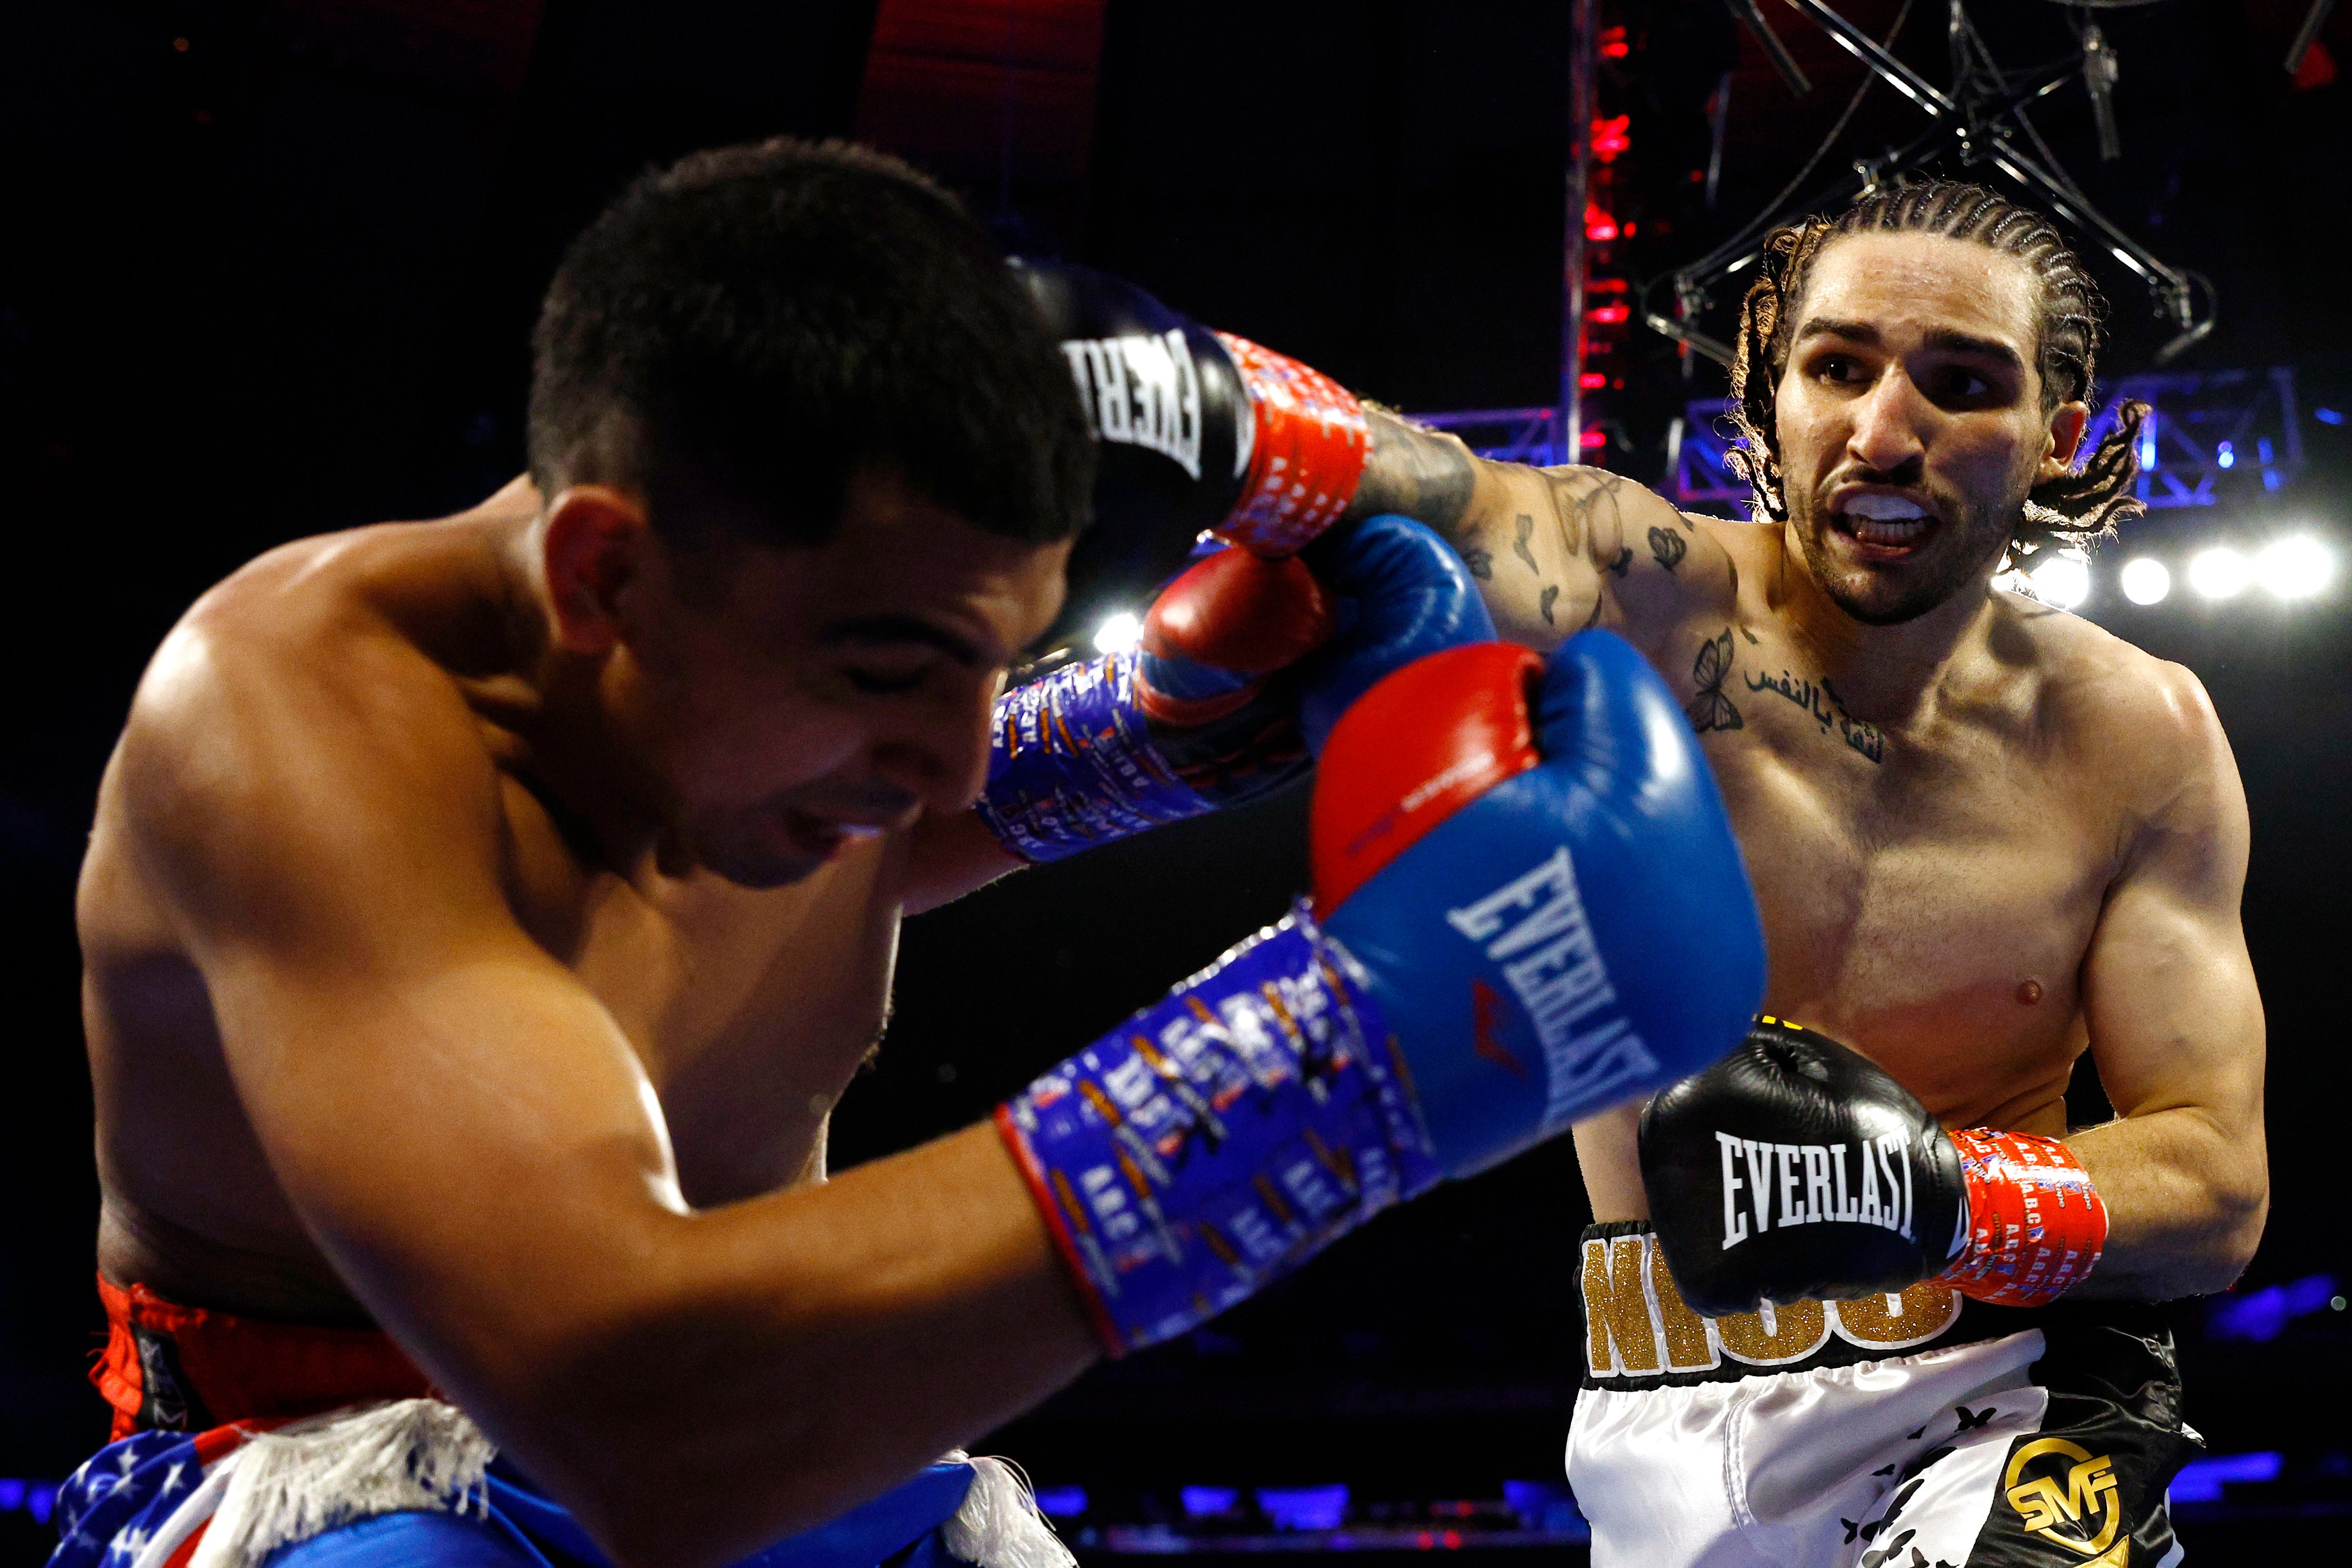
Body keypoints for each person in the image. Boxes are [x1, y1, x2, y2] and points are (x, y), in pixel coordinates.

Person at [60, 136, 1766, 1568]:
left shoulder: (752, 713)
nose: (950, 748)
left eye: (991, 653)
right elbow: (642, 1419)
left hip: (814, 1445)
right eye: (889, 667)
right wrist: (1353, 1064)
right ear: (602, 580)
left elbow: (921, 795)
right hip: (345, 1473)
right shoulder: (292, 726)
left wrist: (1166, 730)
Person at [1045, 179, 2264, 1566]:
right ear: (1771, 399)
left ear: (2056, 436)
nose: (1881, 431)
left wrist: (1937, 1195)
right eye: (1837, 367)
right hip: (1656, 1427)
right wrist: (1191, 396)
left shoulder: (2133, 734)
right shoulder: (1641, 593)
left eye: (1960, 382)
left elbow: (2213, 1186)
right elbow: (1438, 494)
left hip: (2002, 1402)